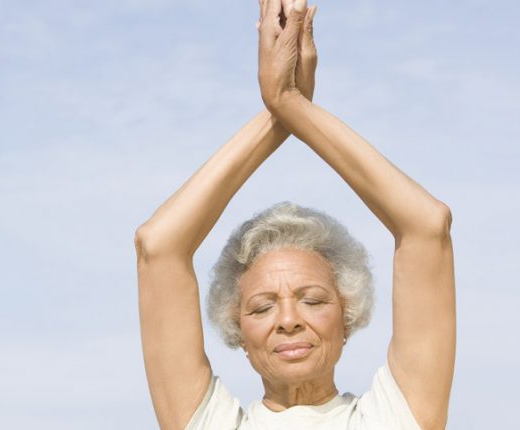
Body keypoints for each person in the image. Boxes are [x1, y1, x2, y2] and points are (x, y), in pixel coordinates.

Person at [134, 0, 456, 428]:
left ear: (347, 316)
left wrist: (290, 105)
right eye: (262, 308)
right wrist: (282, 110)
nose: (288, 321)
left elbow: (427, 225)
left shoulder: (392, 417)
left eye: (313, 300)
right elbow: (158, 244)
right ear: (238, 331)